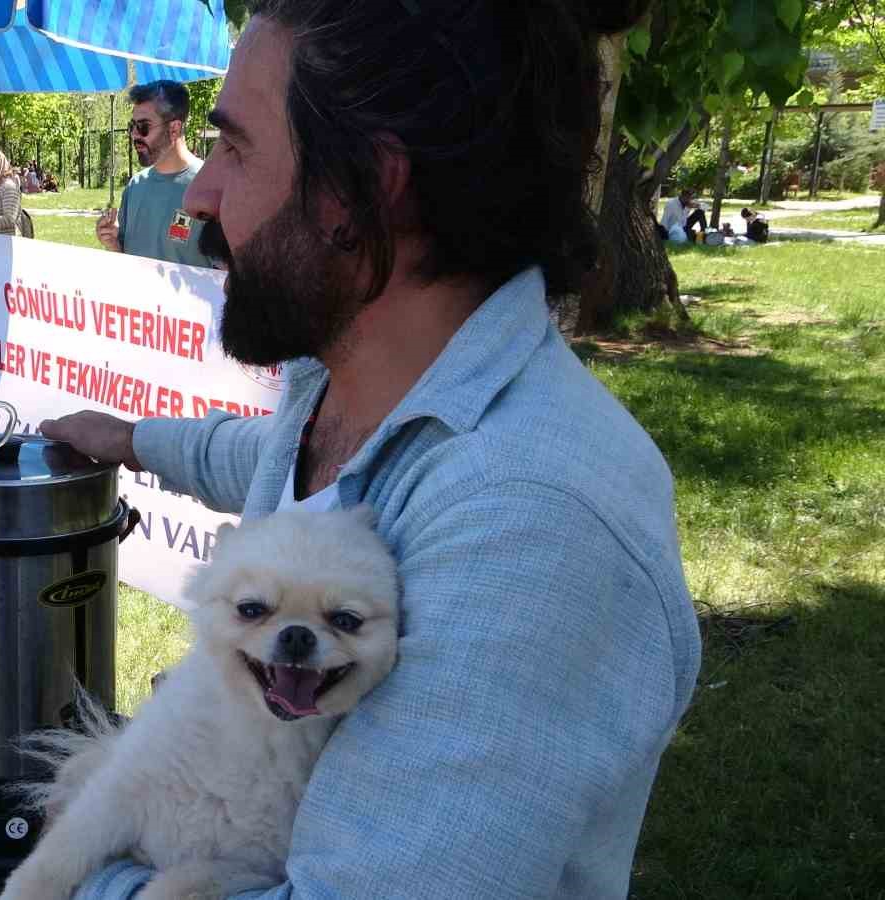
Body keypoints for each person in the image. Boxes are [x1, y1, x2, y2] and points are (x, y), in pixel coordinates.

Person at [42, 4, 698, 898]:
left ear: (363, 189)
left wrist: (95, 874)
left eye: (236, 150)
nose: (199, 196)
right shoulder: (342, 379)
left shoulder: (532, 519)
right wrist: (133, 441)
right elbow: (275, 460)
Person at [95, 80, 210, 267]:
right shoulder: (135, 187)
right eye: (132, 126)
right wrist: (114, 244)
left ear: (174, 129)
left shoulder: (208, 189)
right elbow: (129, 266)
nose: (134, 135)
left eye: (143, 127)